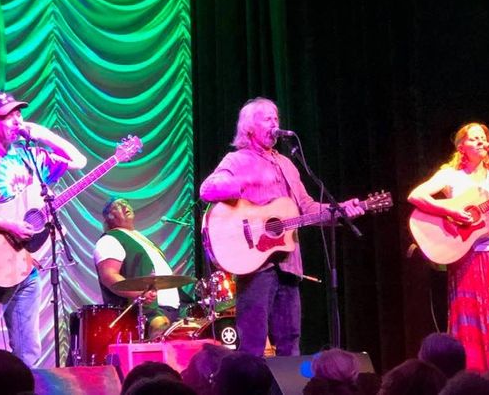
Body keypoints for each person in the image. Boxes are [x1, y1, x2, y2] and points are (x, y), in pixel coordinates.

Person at [199, 97, 364, 357]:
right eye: (268, 119)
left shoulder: (287, 164)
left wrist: (340, 210)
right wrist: (243, 181)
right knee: (253, 342)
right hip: (256, 267)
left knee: (291, 341)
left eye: (276, 118)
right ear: (249, 127)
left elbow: (307, 208)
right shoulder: (237, 160)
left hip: (290, 265)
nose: (275, 124)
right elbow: (207, 189)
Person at [0, 91, 87, 375]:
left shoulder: (30, 156)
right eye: (7, 116)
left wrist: (42, 134)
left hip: (26, 267)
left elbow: (79, 161)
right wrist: (8, 225)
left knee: (28, 350)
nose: (16, 121)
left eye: (18, 114)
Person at [408, 122, 489, 380]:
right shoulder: (450, 175)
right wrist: (449, 209)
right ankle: (474, 377)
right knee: (472, 313)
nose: (481, 141)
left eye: (484, 137)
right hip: (467, 254)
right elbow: (416, 196)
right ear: (461, 146)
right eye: (474, 138)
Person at [93, 197, 181, 339]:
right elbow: (109, 276)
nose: (124, 206)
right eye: (117, 205)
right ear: (109, 216)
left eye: (126, 203)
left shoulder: (139, 238)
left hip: (170, 310)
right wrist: (140, 293)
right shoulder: (110, 239)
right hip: (146, 315)